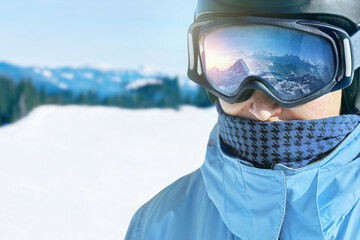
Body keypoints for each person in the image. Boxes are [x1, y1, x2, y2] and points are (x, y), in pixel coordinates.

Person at [125, 0, 360, 239]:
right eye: (231, 77)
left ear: (352, 80)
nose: (262, 110)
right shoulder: (156, 226)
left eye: (304, 75)